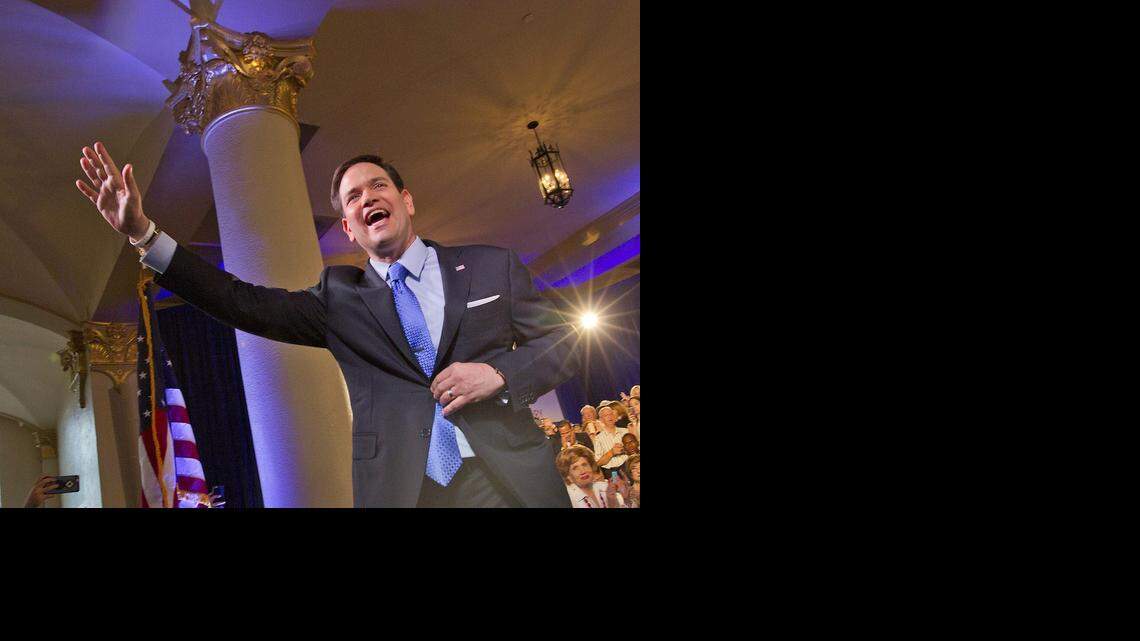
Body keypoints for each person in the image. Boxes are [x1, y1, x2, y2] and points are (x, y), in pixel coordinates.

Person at [74, 143, 579, 508]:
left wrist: (500, 375)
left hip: (507, 478)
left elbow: (565, 340)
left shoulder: (492, 266)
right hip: (407, 490)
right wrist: (145, 235)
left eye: (377, 186)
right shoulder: (340, 298)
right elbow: (241, 302)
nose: (367, 199)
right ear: (348, 227)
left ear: (406, 200)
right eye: (353, 197)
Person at [555, 446, 627, 508]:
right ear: (568, 476)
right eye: (575, 468)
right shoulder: (567, 499)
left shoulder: (604, 487)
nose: (583, 471)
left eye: (584, 464)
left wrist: (626, 498)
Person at [592, 405, 629, 479]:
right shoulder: (598, 438)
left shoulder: (625, 431)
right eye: (606, 415)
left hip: (628, 467)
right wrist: (611, 452)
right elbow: (598, 462)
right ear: (601, 420)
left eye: (611, 414)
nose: (610, 417)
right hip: (613, 473)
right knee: (618, 489)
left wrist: (625, 449)